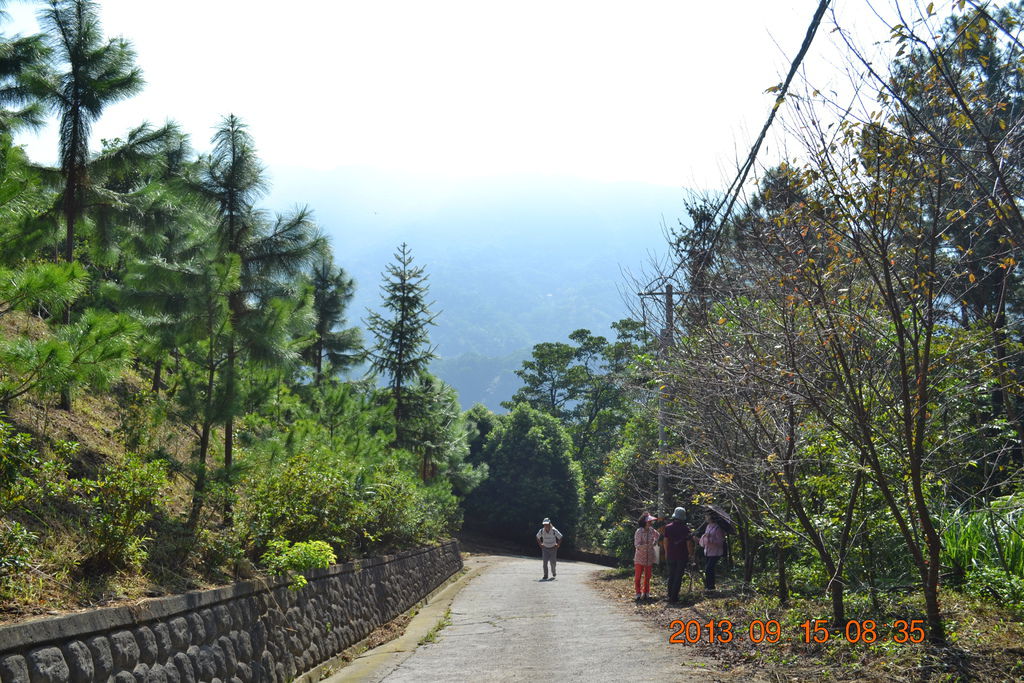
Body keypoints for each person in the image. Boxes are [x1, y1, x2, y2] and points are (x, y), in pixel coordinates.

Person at [662, 507, 694, 602]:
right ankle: (674, 597)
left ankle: (669, 594)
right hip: (682, 555)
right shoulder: (686, 529)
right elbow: (689, 544)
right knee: (678, 576)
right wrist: (691, 554)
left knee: (671, 575)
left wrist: (666, 552)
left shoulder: (668, 527)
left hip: (671, 554)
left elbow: (665, 541)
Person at [633, 512, 660, 600]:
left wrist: (655, 542)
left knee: (648, 577)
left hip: (649, 557)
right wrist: (647, 545)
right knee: (638, 577)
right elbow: (637, 545)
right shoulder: (639, 531)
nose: (650, 523)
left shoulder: (652, 530)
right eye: (648, 522)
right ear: (644, 522)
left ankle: (646, 592)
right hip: (640, 557)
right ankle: (638, 593)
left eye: (650, 522)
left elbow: (658, 536)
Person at [698, 509, 726, 590]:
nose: (705, 517)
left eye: (707, 515)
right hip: (707, 551)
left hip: (715, 552)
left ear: (711, 517)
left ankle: (711, 587)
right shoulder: (708, 526)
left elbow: (720, 542)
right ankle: (708, 586)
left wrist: (710, 538)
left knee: (709, 569)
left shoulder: (718, 528)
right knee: (708, 569)